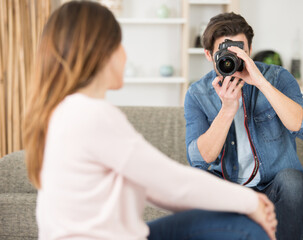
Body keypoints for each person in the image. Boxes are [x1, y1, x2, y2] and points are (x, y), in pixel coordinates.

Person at [23, 2, 277, 240]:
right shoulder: (90, 115)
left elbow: (161, 190)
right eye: (119, 44)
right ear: (100, 52)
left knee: (237, 219)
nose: (124, 55)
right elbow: (174, 185)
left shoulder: (65, 112)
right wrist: (251, 201)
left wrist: (243, 203)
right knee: (245, 228)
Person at [184, 12, 303, 240]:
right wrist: (227, 110)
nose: (233, 59)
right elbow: (198, 159)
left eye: (239, 51)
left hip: (273, 185)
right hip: (227, 186)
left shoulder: (277, 78)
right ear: (208, 55)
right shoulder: (197, 94)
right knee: (199, 186)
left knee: (293, 180)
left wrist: (260, 83)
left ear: (250, 49)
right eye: (224, 53)